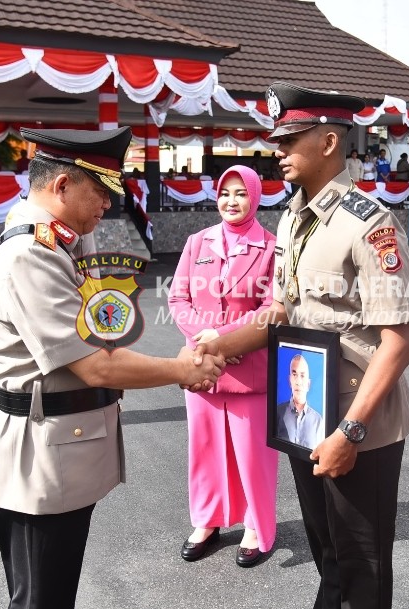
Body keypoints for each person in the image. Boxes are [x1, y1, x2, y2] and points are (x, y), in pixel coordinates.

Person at [191, 80, 409, 609]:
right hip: (305, 411)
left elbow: (400, 342)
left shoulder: (370, 225)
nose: (278, 150)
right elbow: (283, 311)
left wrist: (350, 431)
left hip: (359, 422)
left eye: (290, 139)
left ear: (329, 143)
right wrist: (218, 346)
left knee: (363, 564)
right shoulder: (294, 217)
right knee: (326, 553)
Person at [0, 126, 225, 609]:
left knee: (53, 591)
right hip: (39, 457)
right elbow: (96, 366)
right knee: (40, 599)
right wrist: (184, 370)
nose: (108, 205)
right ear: (62, 186)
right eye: (100, 191)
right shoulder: (32, 253)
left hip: (62, 447)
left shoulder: (64, 242)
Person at [167, 164, 279, 568]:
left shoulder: (270, 246)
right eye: (225, 193)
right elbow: (179, 299)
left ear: (256, 197)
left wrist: (224, 338)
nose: (231, 201)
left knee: (253, 454)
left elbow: (271, 309)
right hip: (201, 368)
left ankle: (255, 525)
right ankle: (207, 520)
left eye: (241, 193)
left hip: (248, 368)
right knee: (205, 449)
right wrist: (206, 338)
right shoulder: (198, 242)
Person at [276, 354, 324, 449]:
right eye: (294, 375)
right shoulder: (277, 413)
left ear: (308, 384)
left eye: (302, 376)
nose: (298, 382)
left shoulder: (318, 421)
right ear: (290, 381)